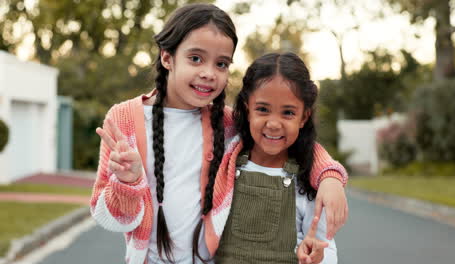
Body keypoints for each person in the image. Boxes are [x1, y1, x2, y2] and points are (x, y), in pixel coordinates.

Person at [90, 3, 347, 264]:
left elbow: (288, 140)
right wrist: (127, 183)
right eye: (195, 58)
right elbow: (109, 219)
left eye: (221, 64)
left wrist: (330, 177)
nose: (208, 73)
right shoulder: (123, 121)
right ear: (167, 57)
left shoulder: (225, 122)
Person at [202, 52, 341, 264]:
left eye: (288, 113)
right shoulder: (225, 161)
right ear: (248, 109)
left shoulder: (308, 180)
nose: (274, 124)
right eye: (263, 109)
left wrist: (316, 257)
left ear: (304, 117)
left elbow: (324, 246)